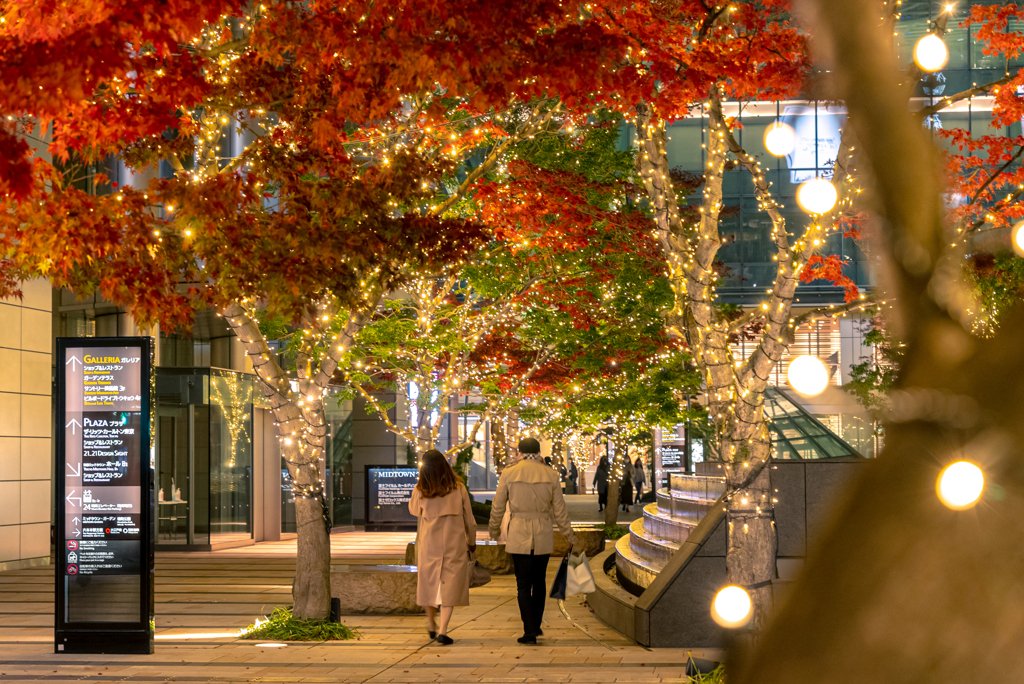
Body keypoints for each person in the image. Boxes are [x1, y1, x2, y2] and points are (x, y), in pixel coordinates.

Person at [489, 437, 577, 645]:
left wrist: (493, 529)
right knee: (539, 581)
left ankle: (529, 629)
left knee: (522, 584)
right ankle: (535, 624)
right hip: (542, 531)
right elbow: (560, 510)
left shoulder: (509, 473)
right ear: (538, 452)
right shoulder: (551, 474)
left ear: (519, 452)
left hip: (519, 531)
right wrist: (569, 535)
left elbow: (498, 505)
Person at [408, 449, 477, 646]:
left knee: (428, 584)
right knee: (450, 587)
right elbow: (470, 521)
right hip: (454, 545)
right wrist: (471, 542)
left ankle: (430, 622)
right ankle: (443, 629)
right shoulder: (459, 488)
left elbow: (414, 510)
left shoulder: (420, 490)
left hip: (429, 544)